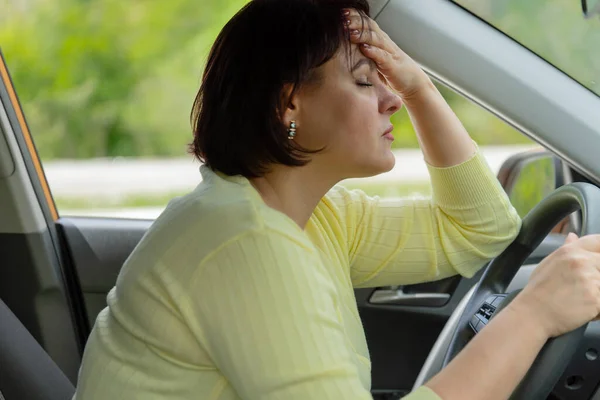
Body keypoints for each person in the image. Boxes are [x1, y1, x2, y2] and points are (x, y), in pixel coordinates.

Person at [72, 1, 600, 399]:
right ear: (289, 103)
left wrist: (420, 89)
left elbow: (479, 231)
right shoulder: (248, 244)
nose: (391, 98)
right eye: (366, 80)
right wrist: (535, 313)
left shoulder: (312, 215)